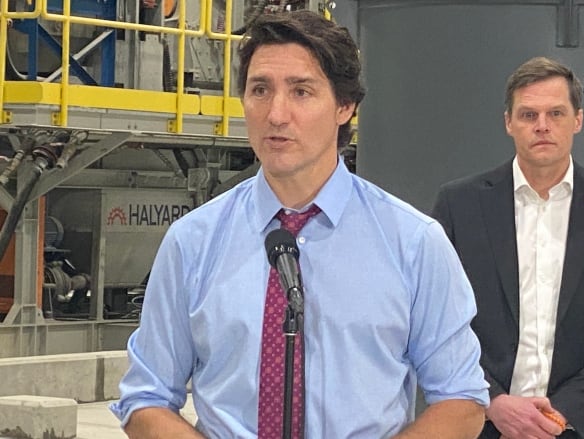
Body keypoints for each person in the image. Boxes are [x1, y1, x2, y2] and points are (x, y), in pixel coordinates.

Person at [110, 10, 489, 439]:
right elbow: (145, 397)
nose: (276, 114)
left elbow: (462, 400)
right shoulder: (192, 242)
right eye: (260, 90)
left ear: (345, 106)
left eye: (301, 91)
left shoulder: (413, 243)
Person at [431, 57, 584, 439]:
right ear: (508, 122)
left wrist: (561, 414)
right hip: (481, 423)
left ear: (578, 120)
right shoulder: (460, 206)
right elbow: (437, 319)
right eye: (529, 114)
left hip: (576, 427)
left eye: (556, 113)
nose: (542, 126)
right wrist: (493, 402)